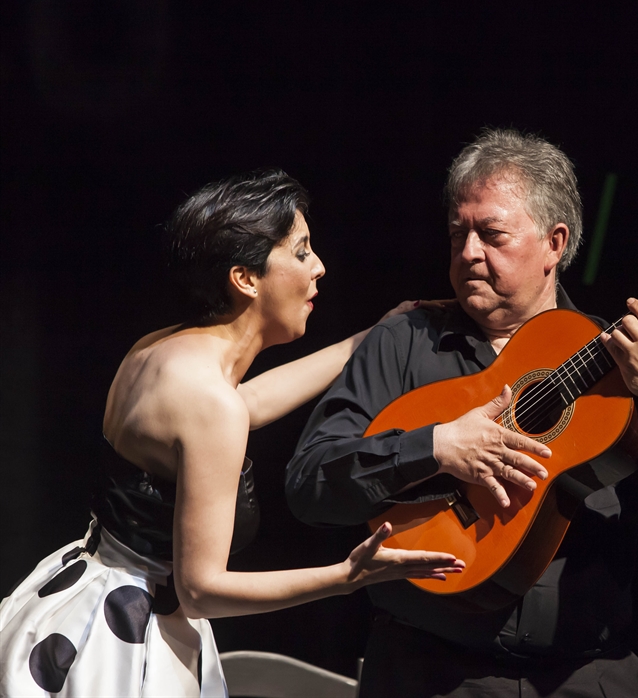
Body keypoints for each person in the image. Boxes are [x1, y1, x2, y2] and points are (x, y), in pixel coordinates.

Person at [286, 129, 638, 697]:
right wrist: (435, 447)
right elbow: (308, 485)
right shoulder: (405, 340)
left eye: (492, 234)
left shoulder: (625, 361)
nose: (469, 251)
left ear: (554, 243)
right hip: (427, 676)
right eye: (457, 234)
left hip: (586, 680)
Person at [0, 169, 464, 697]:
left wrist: (369, 338)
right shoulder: (207, 401)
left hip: (83, 589)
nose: (319, 268)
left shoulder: (161, 348)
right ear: (246, 278)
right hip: (126, 633)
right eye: (301, 252)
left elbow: (246, 404)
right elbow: (201, 591)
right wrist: (348, 576)